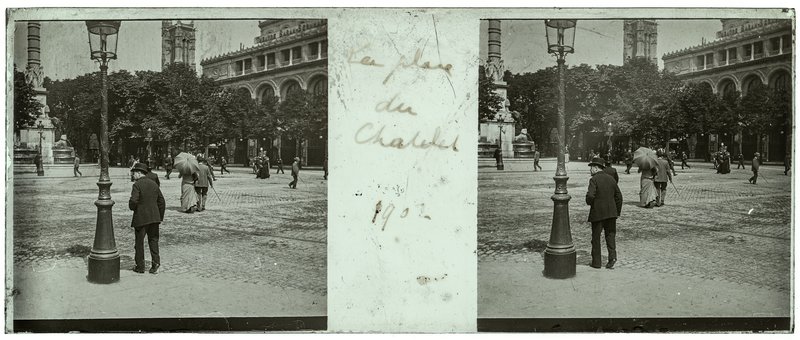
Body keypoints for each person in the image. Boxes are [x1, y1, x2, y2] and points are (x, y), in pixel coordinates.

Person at [585, 157, 623, 269]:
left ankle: (596, 263)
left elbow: (590, 195)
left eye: (591, 167)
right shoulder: (611, 179)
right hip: (611, 213)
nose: (590, 170)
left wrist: (589, 202)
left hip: (598, 213)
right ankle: (612, 258)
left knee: (596, 238)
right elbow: (619, 197)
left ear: (596, 168)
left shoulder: (594, 179)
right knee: (610, 235)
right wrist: (617, 212)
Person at [128, 162, 165, 274]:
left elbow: (134, 201)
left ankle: (140, 266)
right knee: (153, 241)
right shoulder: (154, 184)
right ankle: (156, 264)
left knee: (139, 242)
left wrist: (132, 207)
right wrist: (159, 217)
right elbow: (162, 202)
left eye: (134, 173)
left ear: (139, 173)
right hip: (154, 218)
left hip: (141, 218)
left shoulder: (137, 185)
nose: (133, 175)